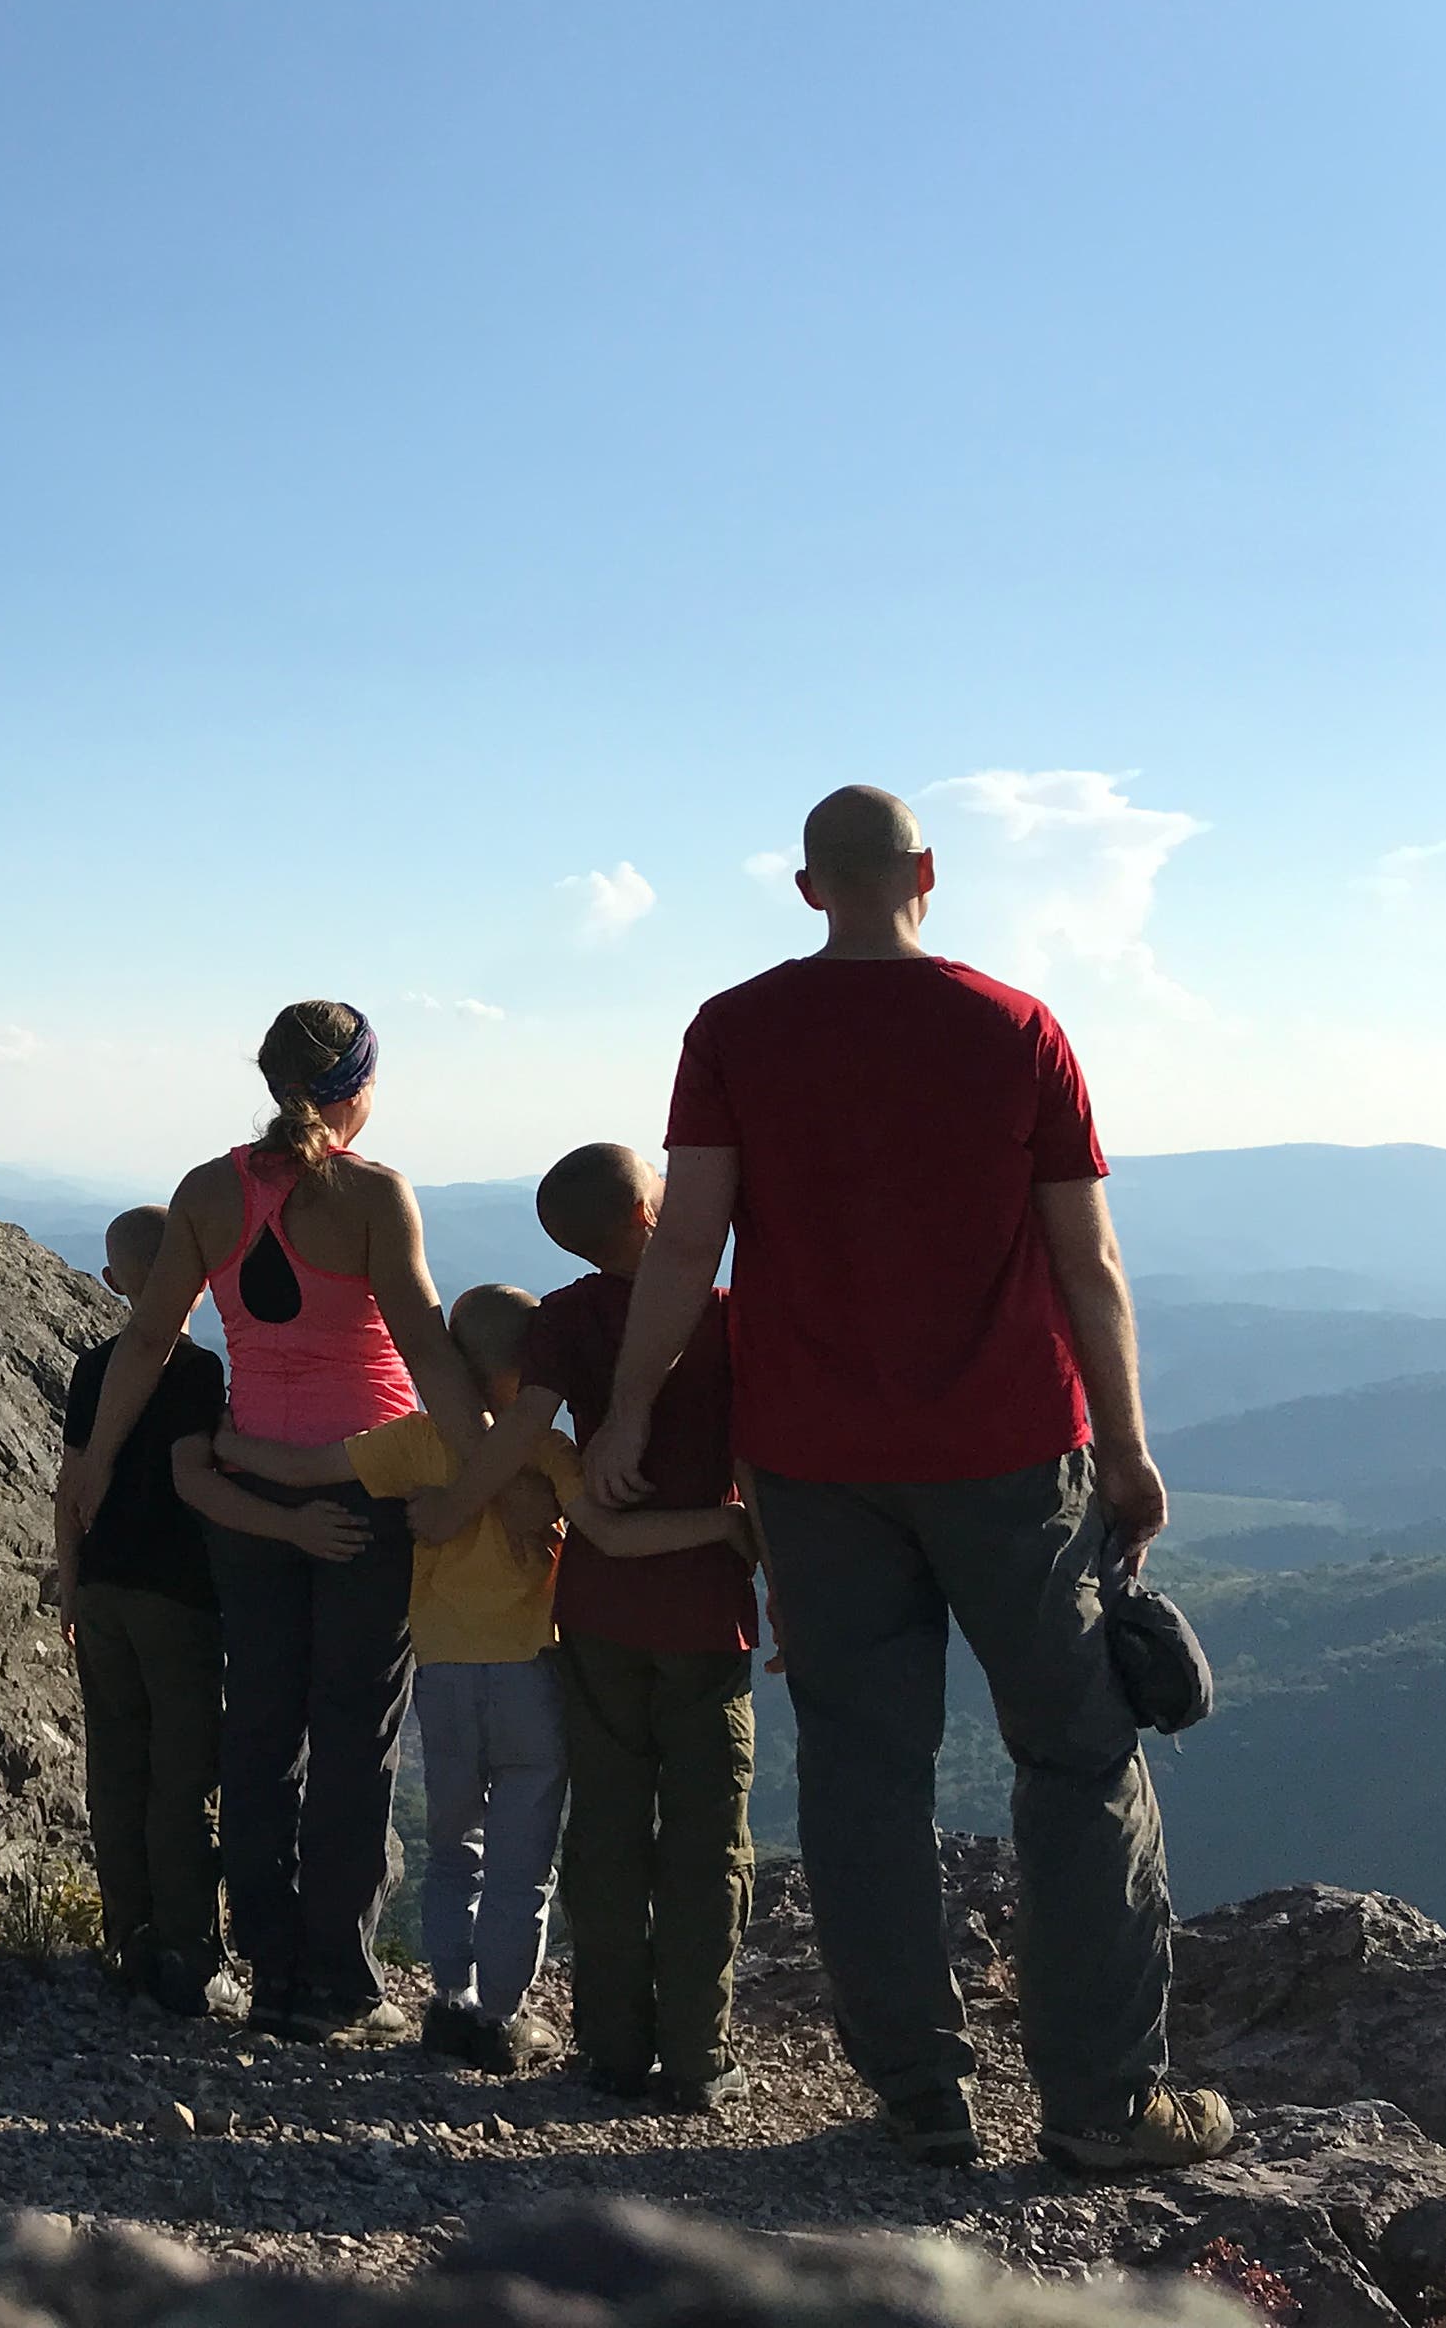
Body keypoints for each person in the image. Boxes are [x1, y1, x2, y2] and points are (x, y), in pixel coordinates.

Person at [585, 784, 1235, 2175]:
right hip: (1011, 1454)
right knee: (1077, 1757)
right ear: (927, 871)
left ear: (807, 887)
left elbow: (687, 1243)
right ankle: (1103, 2107)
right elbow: (1087, 1259)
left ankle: (920, 2098)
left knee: (863, 1772)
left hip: (814, 1465)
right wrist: (1126, 1448)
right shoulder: (1016, 1029)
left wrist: (629, 1410)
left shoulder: (734, 1030)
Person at [61, 999, 491, 2043]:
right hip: (364, 1489)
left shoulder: (208, 1191)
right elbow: (427, 1348)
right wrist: (495, 1469)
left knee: (258, 1728)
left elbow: (148, 1339)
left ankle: (269, 1968)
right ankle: (335, 1982)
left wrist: (97, 1462)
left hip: (249, 1492)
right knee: (354, 1733)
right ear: (358, 1086)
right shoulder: (374, 1194)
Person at [191, 1282, 756, 2071]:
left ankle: (449, 2001)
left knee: (456, 1849)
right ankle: (501, 2016)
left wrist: (232, 1445)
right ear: (533, 1372)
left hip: (444, 1680)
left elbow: (309, 1466)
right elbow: (610, 1536)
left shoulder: (413, 1442)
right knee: (522, 1866)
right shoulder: (547, 1453)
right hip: (529, 1679)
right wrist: (725, 1526)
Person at [524, 1140, 761, 2112]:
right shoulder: (724, 1317)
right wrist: (778, 1579)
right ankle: (698, 2056)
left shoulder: (561, 1318)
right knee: (707, 1841)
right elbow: (759, 1465)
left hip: (596, 1607)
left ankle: (612, 2050)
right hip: (705, 1611)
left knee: (607, 1829)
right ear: (646, 1216)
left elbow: (526, 1431)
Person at [51, 1205, 232, 2020]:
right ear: (200, 1278)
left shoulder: (93, 1368)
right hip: (176, 1595)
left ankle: (128, 1933)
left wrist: (70, 1582)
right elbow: (194, 1476)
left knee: (117, 1768)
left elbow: (71, 1484)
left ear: (112, 1281)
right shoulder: (196, 1371)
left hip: (103, 1588)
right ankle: (189, 1951)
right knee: (183, 1774)